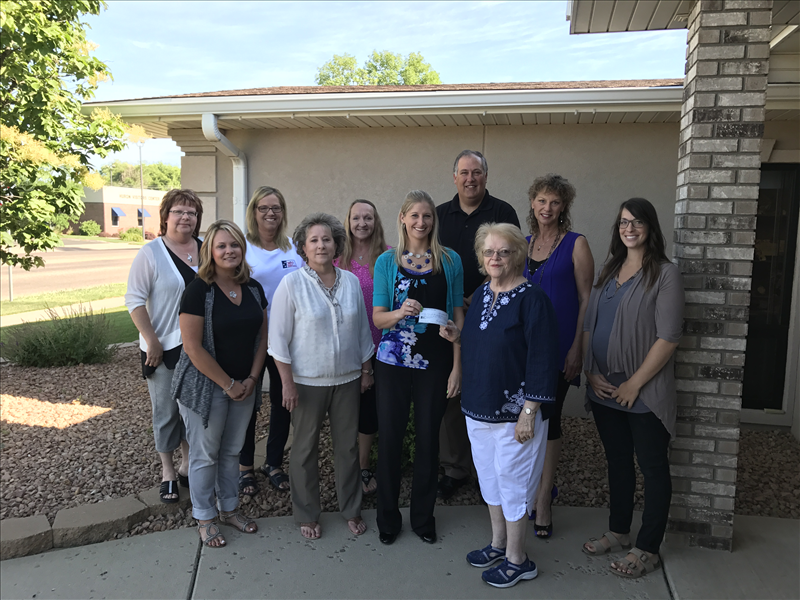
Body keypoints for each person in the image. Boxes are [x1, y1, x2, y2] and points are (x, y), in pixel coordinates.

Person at [441, 222, 558, 588]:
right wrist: (458, 336)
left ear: (517, 255)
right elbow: (480, 340)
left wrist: (529, 411)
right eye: (488, 252)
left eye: (503, 252)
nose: (495, 258)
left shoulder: (532, 299)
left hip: (514, 415)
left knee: (514, 484)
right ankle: (498, 544)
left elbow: (542, 358)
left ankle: (518, 559)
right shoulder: (483, 292)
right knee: (490, 480)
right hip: (478, 407)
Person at [581, 198, 684, 580]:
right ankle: (619, 531)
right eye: (624, 222)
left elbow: (668, 337)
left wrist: (634, 384)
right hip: (604, 390)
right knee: (618, 461)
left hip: (644, 393)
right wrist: (590, 372)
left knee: (653, 468)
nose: (630, 228)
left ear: (650, 228)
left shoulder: (665, 274)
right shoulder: (609, 270)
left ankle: (648, 548)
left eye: (637, 222)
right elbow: (589, 325)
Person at [268, 213, 374, 540]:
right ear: (303, 246)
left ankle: (351, 509)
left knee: (348, 450)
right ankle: (306, 513)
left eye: (326, 239)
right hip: (306, 383)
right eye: (313, 240)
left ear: (336, 244)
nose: (321, 245)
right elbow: (277, 339)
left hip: (347, 380)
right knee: (303, 451)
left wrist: (366, 370)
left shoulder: (351, 282)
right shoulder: (292, 284)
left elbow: (362, 330)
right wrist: (287, 383)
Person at [373, 190, 464, 545]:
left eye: (427, 216)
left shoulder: (450, 260)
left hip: (436, 362)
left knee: (428, 440)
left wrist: (457, 366)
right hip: (393, 361)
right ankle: (388, 519)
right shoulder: (387, 261)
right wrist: (400, 312)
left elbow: (458, 316)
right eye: (414, 215)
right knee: (390, 438)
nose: (421, 222)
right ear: (402, 218)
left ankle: (423, 519)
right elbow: (379, 319)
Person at [171, 220, 268, 548]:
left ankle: (229, 509)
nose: (229, 251)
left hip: (245, 385)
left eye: (235, 244)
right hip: (206, 387)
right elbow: (192, 347)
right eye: (221, 246)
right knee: (205, 454)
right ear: (210, 251)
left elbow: (262, 339)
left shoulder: (253, 288)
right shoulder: (199, 290)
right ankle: (205, 517)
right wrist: (228, 385)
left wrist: (252, 379)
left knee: (232, 452)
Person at [435, 150, 520, 500]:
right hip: (450, 315)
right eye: (464, 172)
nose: (470, 179)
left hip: (494, 311)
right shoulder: (439, 215)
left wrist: (478, 295)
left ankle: (491, 468)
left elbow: (513, 260)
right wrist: (457, 301)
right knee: (452, 390)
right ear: (454, 177)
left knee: (489, 383)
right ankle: (455, 467)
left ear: (486, 176)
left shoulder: (503, 212)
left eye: (477, 172)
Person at [522, 174, 594, 538]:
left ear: (563, 206)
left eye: (554, 201)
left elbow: (586, 298)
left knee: (548, 419)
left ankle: (545, 498)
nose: (547, 207)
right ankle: (530, 487)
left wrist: (577, 347)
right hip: (523, 349)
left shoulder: (575, 244)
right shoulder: (523, 244)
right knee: (526, 419)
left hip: (560, 346)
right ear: (532, 204)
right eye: (541, 200)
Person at [126, 189, 204, 504]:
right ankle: (168, 471)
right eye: (179, 211)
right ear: (166, 216)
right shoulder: (150, 253)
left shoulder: (207, 248)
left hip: (201, 347)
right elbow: (134, 300)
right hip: (164, 348)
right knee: (166, 411)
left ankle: (187, 465)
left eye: (192, 212)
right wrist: (152, 341)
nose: (186, 217)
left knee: (193, 409)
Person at [238, 186, 304, 496]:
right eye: (263, 208)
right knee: (248, 402)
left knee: (282, 401)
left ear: (283, 212)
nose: (270, 213)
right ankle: (245, 467)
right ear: (254, 212)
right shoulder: (243, 247)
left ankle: (274, 462)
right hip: (250, 338)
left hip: (285, 338)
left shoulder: (292, 249)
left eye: (276, 207)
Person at [334, 199, 388, 496]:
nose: (362, 223)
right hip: (344, 347)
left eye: (368, 217)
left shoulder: (388, 257)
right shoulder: (336, 258)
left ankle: (364, 464)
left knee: (369, 410)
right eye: (356, 218)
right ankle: (345, 465)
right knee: (344, 410)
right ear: (348, 221)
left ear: (375, 221)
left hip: (380, 346)